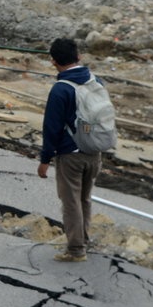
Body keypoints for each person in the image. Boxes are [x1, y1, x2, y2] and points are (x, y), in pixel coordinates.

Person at [37, 38, 103, 263]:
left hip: (70, 154)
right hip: (94, 151)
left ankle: (76, 249)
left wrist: (45, 158)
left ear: (54, 62)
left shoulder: (60, 89)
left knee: (71, 201)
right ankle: (83, 238)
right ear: (79, 57)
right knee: (84, 198)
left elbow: (51, 127)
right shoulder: (97, 82)